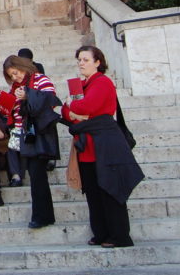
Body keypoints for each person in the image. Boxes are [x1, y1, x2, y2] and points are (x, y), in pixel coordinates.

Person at [63, 45, 143, 248]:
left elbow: (87, 107)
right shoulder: (81, 85)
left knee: (110, 190)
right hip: (87, 146)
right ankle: (101, 233)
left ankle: (119, 236)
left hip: (104, 144)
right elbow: (66, 113)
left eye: (86, 59)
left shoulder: (103, 82)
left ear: (98, 62)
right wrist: (73, 111)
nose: (81, 63)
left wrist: (72, 107)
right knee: (93, 192)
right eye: (79, 59)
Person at [3, 54, 60, 230]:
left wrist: (27, 95)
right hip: (25, 135)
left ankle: (41, 216)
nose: (15, 77)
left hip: (40, 134)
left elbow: (50, 101)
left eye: (16, 72)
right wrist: (3, 106)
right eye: (11, 75)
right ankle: (45, 215)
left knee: (37, 176)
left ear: (23, 66)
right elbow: (15, 112)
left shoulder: (40, 79)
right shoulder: (16, 87)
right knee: (36, 176)